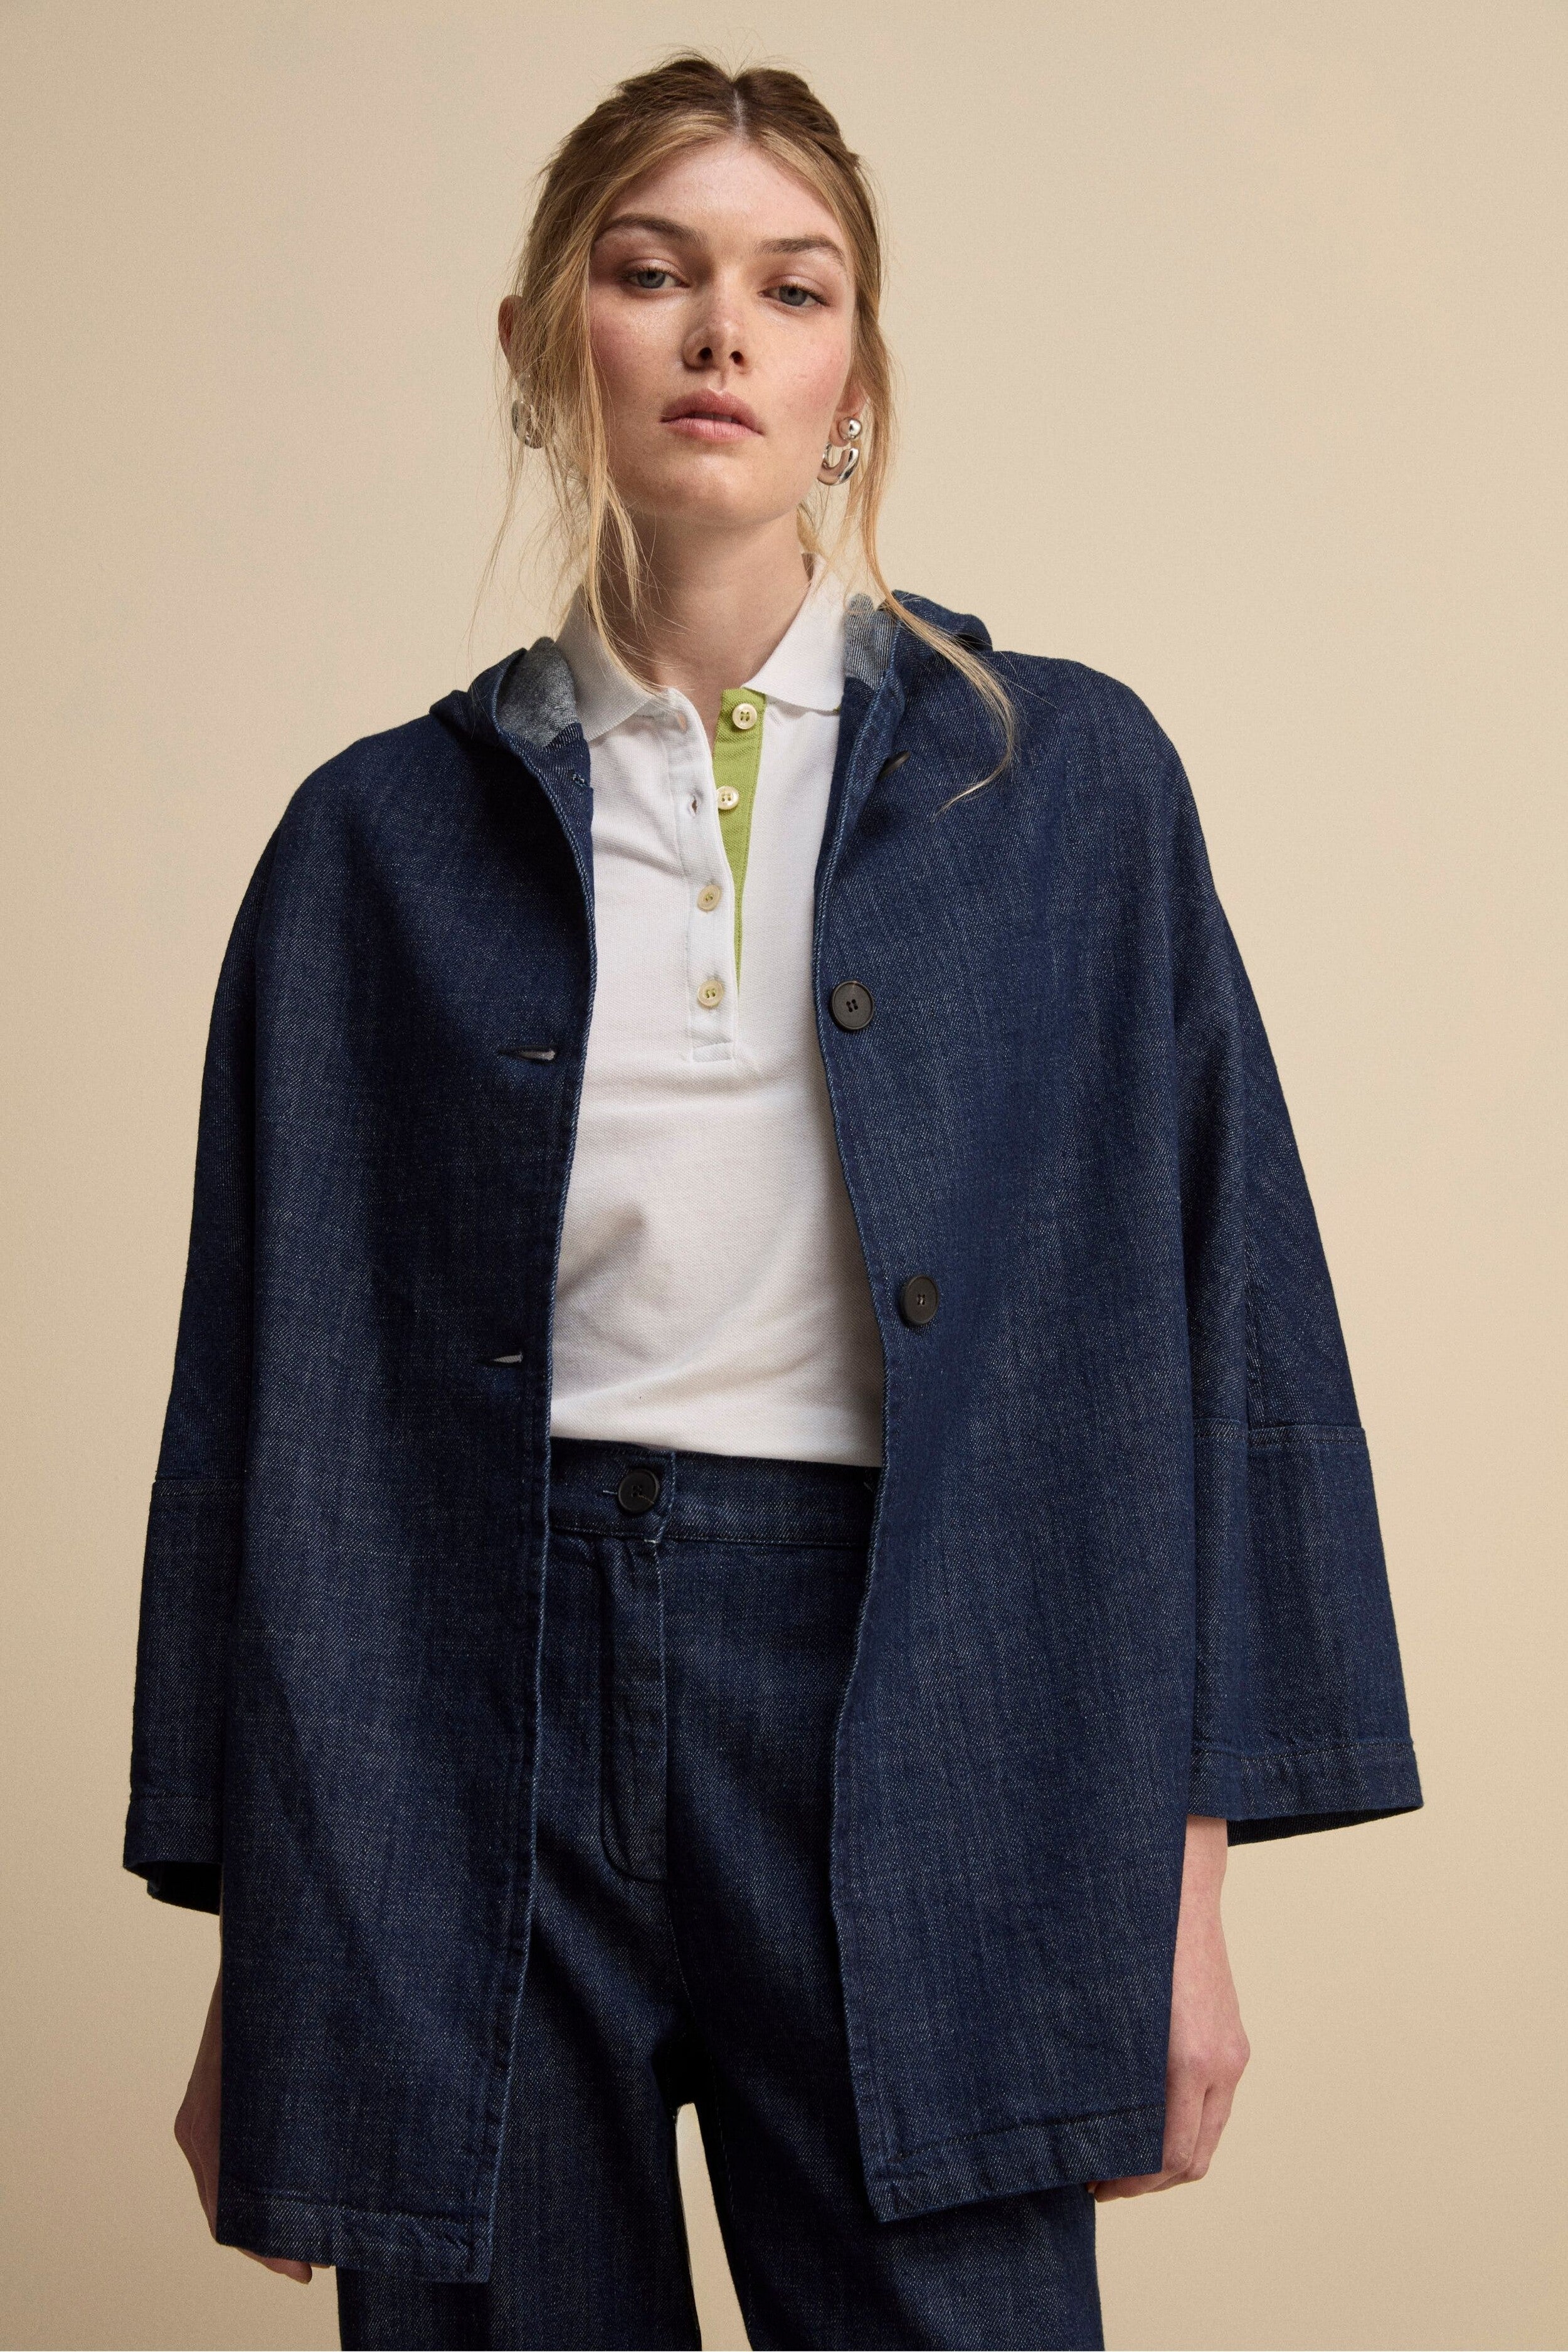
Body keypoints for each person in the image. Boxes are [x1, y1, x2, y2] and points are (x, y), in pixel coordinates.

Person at [125, 53, 1422, 2352]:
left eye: (790, 287)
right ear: (544, 345)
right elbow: (264, 1413)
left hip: (924, 1683)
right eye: (652, 272)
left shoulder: (1063, 788)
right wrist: (279, 1952)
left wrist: (1178, 1887)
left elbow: (1225, 1321)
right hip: (466, 1708)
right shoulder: (367, 851)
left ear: (854, 377)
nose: (721, 329)